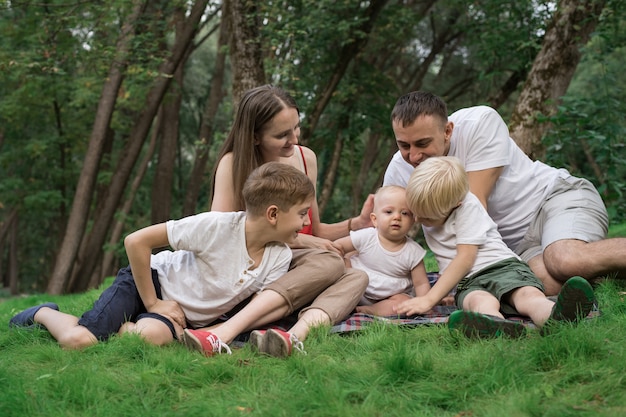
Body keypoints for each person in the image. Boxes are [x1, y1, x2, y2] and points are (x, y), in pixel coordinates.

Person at [9, 162, 314, 354]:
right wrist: (154, 302)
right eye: (302, 213)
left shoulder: (279, 256)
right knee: (81, 341)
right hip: (149, 281)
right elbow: (136, 241)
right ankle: (42, 313)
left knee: (149, 337)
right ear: (273, 213)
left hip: (179, 315)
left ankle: (123, 325)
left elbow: (254, 306)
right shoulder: (217, 227)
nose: (305, 222)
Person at [183, 84, 372, 358]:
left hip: (296, 266)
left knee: (357, 276)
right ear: (255, 137)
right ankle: (227, 329)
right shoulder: (233, 164)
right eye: (282, 134)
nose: (294, 139)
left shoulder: (306, 159)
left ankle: (291, 336)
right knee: (329, 262)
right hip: (254, 266)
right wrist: (312, 243)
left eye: (296, 128)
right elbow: (223, 235)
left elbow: (316, 230)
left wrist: (357, 224)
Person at [383, 91, 626, 295]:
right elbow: (386, 230)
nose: (413, 157)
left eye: (423, 144)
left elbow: (475, 205)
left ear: (448, 131)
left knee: (565, 260)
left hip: (555, 199)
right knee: (544, 284)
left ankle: (586, 260)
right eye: (404, 145)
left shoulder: (480, 122)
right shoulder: (399, 169)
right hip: (516, 248)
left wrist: (451, 282)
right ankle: (610, 277)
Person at [394, 156, 596, 338]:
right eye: (414, 211)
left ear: (455, 204)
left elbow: (465, 259)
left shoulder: (467, 207)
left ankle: (556, 316)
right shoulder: (431, 207)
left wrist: (430, 298)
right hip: (469, 283)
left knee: (528, 296)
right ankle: (496, 326)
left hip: (502, 266)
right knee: (479, 302)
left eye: (427, 217)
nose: (418, 219)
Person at [332, 185, 430, 316]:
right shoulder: (367, 236)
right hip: (355, 286)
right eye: (389, 212)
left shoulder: (413, 252)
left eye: (405, 213)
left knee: (403, 302)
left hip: (389, 297)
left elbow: (421, 283)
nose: (397, 217)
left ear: (412, 221)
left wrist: (426, 303)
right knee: (343, 262)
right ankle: (343, 301)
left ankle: (371, 310)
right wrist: (343, 265)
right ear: (375, 219)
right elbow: (338, 246)